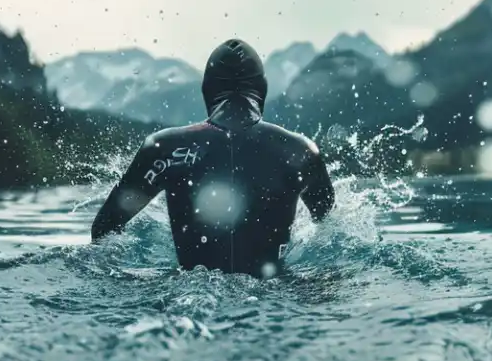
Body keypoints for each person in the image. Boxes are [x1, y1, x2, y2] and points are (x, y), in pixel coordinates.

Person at [91, 38, 335, 276]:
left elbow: (104, 230)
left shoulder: (163, 148)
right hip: (277, 301)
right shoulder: (301, 151)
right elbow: (330, 229)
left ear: (208, 90)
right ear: (261, 89)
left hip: (190, 296)